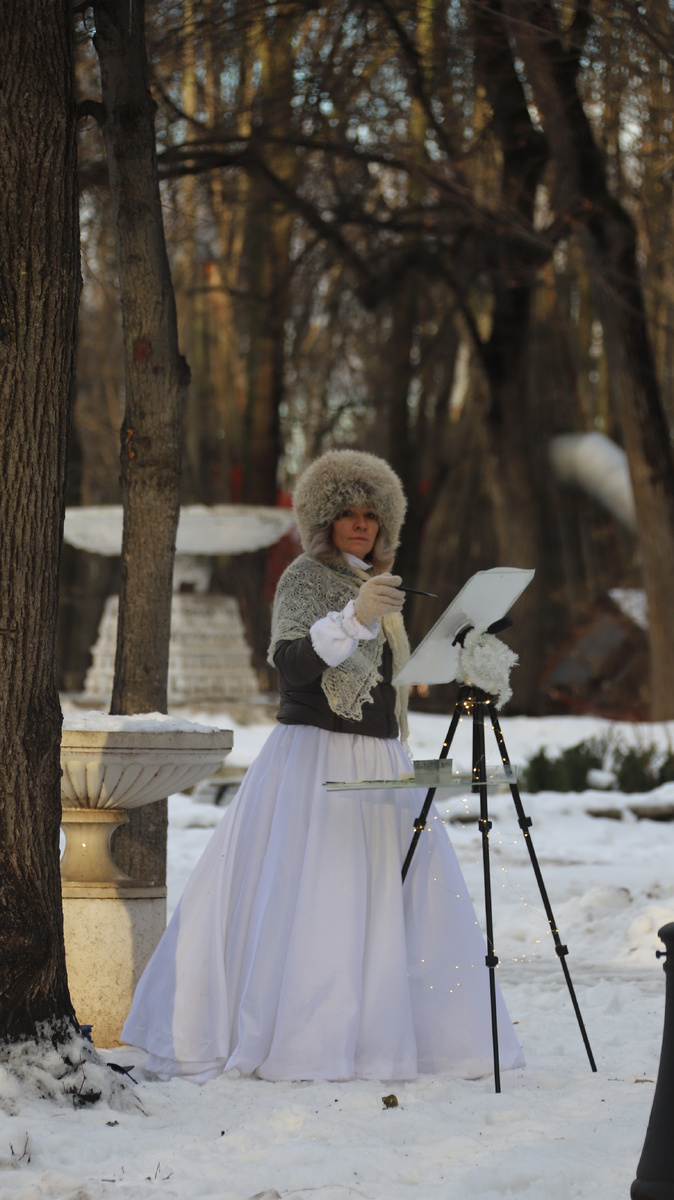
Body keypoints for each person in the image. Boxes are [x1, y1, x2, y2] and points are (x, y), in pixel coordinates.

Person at [121, 449, 524, 1083]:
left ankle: (386, 1036)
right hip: (314, 754)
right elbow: (292, 664)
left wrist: (460, 652)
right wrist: (354, 617)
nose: (360, 525)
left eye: (371, 515)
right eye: (347, 515)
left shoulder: (382, 586)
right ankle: (308, 1041)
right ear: (324, 521)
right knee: (318, 894)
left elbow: (392, 681)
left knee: (389, 895)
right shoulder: (304, 579)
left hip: (380, 753)